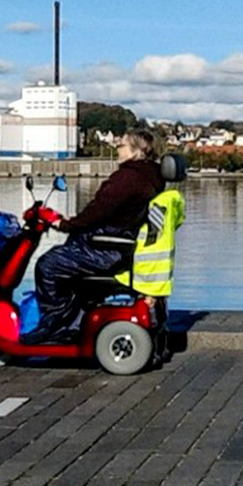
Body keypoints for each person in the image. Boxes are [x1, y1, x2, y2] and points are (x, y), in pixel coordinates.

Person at [20, 129, 165, 345]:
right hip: (117, 244)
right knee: (65, 254)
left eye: (121, 145)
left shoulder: (128, 178)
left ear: (137, 151)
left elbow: (98, 211)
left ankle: (54, 324)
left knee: (47, 265)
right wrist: (73, 224)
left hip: (107, 251)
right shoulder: (150, 176)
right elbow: (104, 213)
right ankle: (73, 320)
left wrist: (65, 224)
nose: (117, 149)